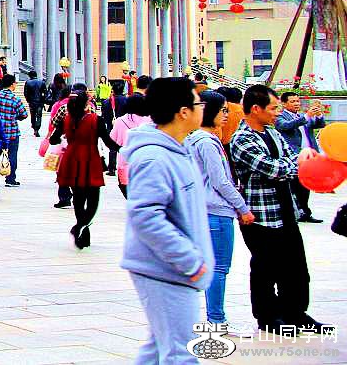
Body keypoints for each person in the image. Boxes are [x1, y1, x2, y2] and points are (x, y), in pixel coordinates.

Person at [121, 77, 213, 365]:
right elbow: (145, 216)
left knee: (158, 349)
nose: (203, 108)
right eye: (198, 102)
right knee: (181, 353)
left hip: (173, 268)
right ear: (183, 112)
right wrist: (189, 260)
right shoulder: (155, 158)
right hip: (164, 269)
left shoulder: (178, 148)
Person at [229, 85, 328, 334]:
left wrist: (293, 162)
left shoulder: (272, 132)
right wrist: (296, 163)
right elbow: (273, 168)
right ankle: (268, 316)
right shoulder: (242, 139)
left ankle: (295, 313)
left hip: (286, 209)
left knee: (296, 268)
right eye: (273, 108)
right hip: (261, 215)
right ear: (256, 108)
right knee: (265, 268)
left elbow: (289, 158)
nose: (278, 113)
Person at [185, 90, 255, 326]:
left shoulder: (195, 139)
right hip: (216, 211)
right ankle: (216, 318)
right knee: (219, 268)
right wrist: (242, 207)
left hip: (204, 210)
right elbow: (220, 181)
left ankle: (214, 317)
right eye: (223, 110)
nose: (226, 115)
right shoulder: (206, 142)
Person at [51, 85, 120, 249]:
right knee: (93, 199)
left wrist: (65, 139)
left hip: (71, 158)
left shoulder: (66, 119)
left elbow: (53, 139)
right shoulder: (96, 120)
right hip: (90, 158)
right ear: (85, 103)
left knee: (78, 198)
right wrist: (123, 149)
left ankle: (83, 234)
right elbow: (108, 142)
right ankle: (80, 227)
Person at [275, 91, 326, 223]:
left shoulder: (302, 116)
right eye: (292, 101)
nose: (296, 104)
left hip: (308, 155)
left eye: (298, 101)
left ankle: (305, 212)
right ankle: (295, 212)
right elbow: (286, 126)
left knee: (305, 185)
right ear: (284, 103)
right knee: (294, 186)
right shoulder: (280, 116)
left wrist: (318, 115)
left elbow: (319, 125)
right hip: (294, 156)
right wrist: (307, 116)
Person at [0, 74, 28, 187]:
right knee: (12, 156)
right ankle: (10, 179)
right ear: (12, 84)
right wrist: (15, 117)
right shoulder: (15, 99)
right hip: (11, 132)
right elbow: (24, 114)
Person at [101, 79, 129, 175]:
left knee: (112, 146)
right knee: (125, 145)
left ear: (112, 90)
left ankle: (112, 168)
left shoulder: (106, 102)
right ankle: (125, 167)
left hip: (111, 125)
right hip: (125, 126)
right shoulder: (127, 101)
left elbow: (104, 116)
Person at [23, 70, 47, 138]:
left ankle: (34, 127)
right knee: (39, 115)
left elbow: (26, 93)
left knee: (33, 115)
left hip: (32, 102)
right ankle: (37, 128)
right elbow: (45, 92)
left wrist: (28, 100)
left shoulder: (28, 82)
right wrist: (43, 100)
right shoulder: (42, 82)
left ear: (30, 76)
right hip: (40, 102)